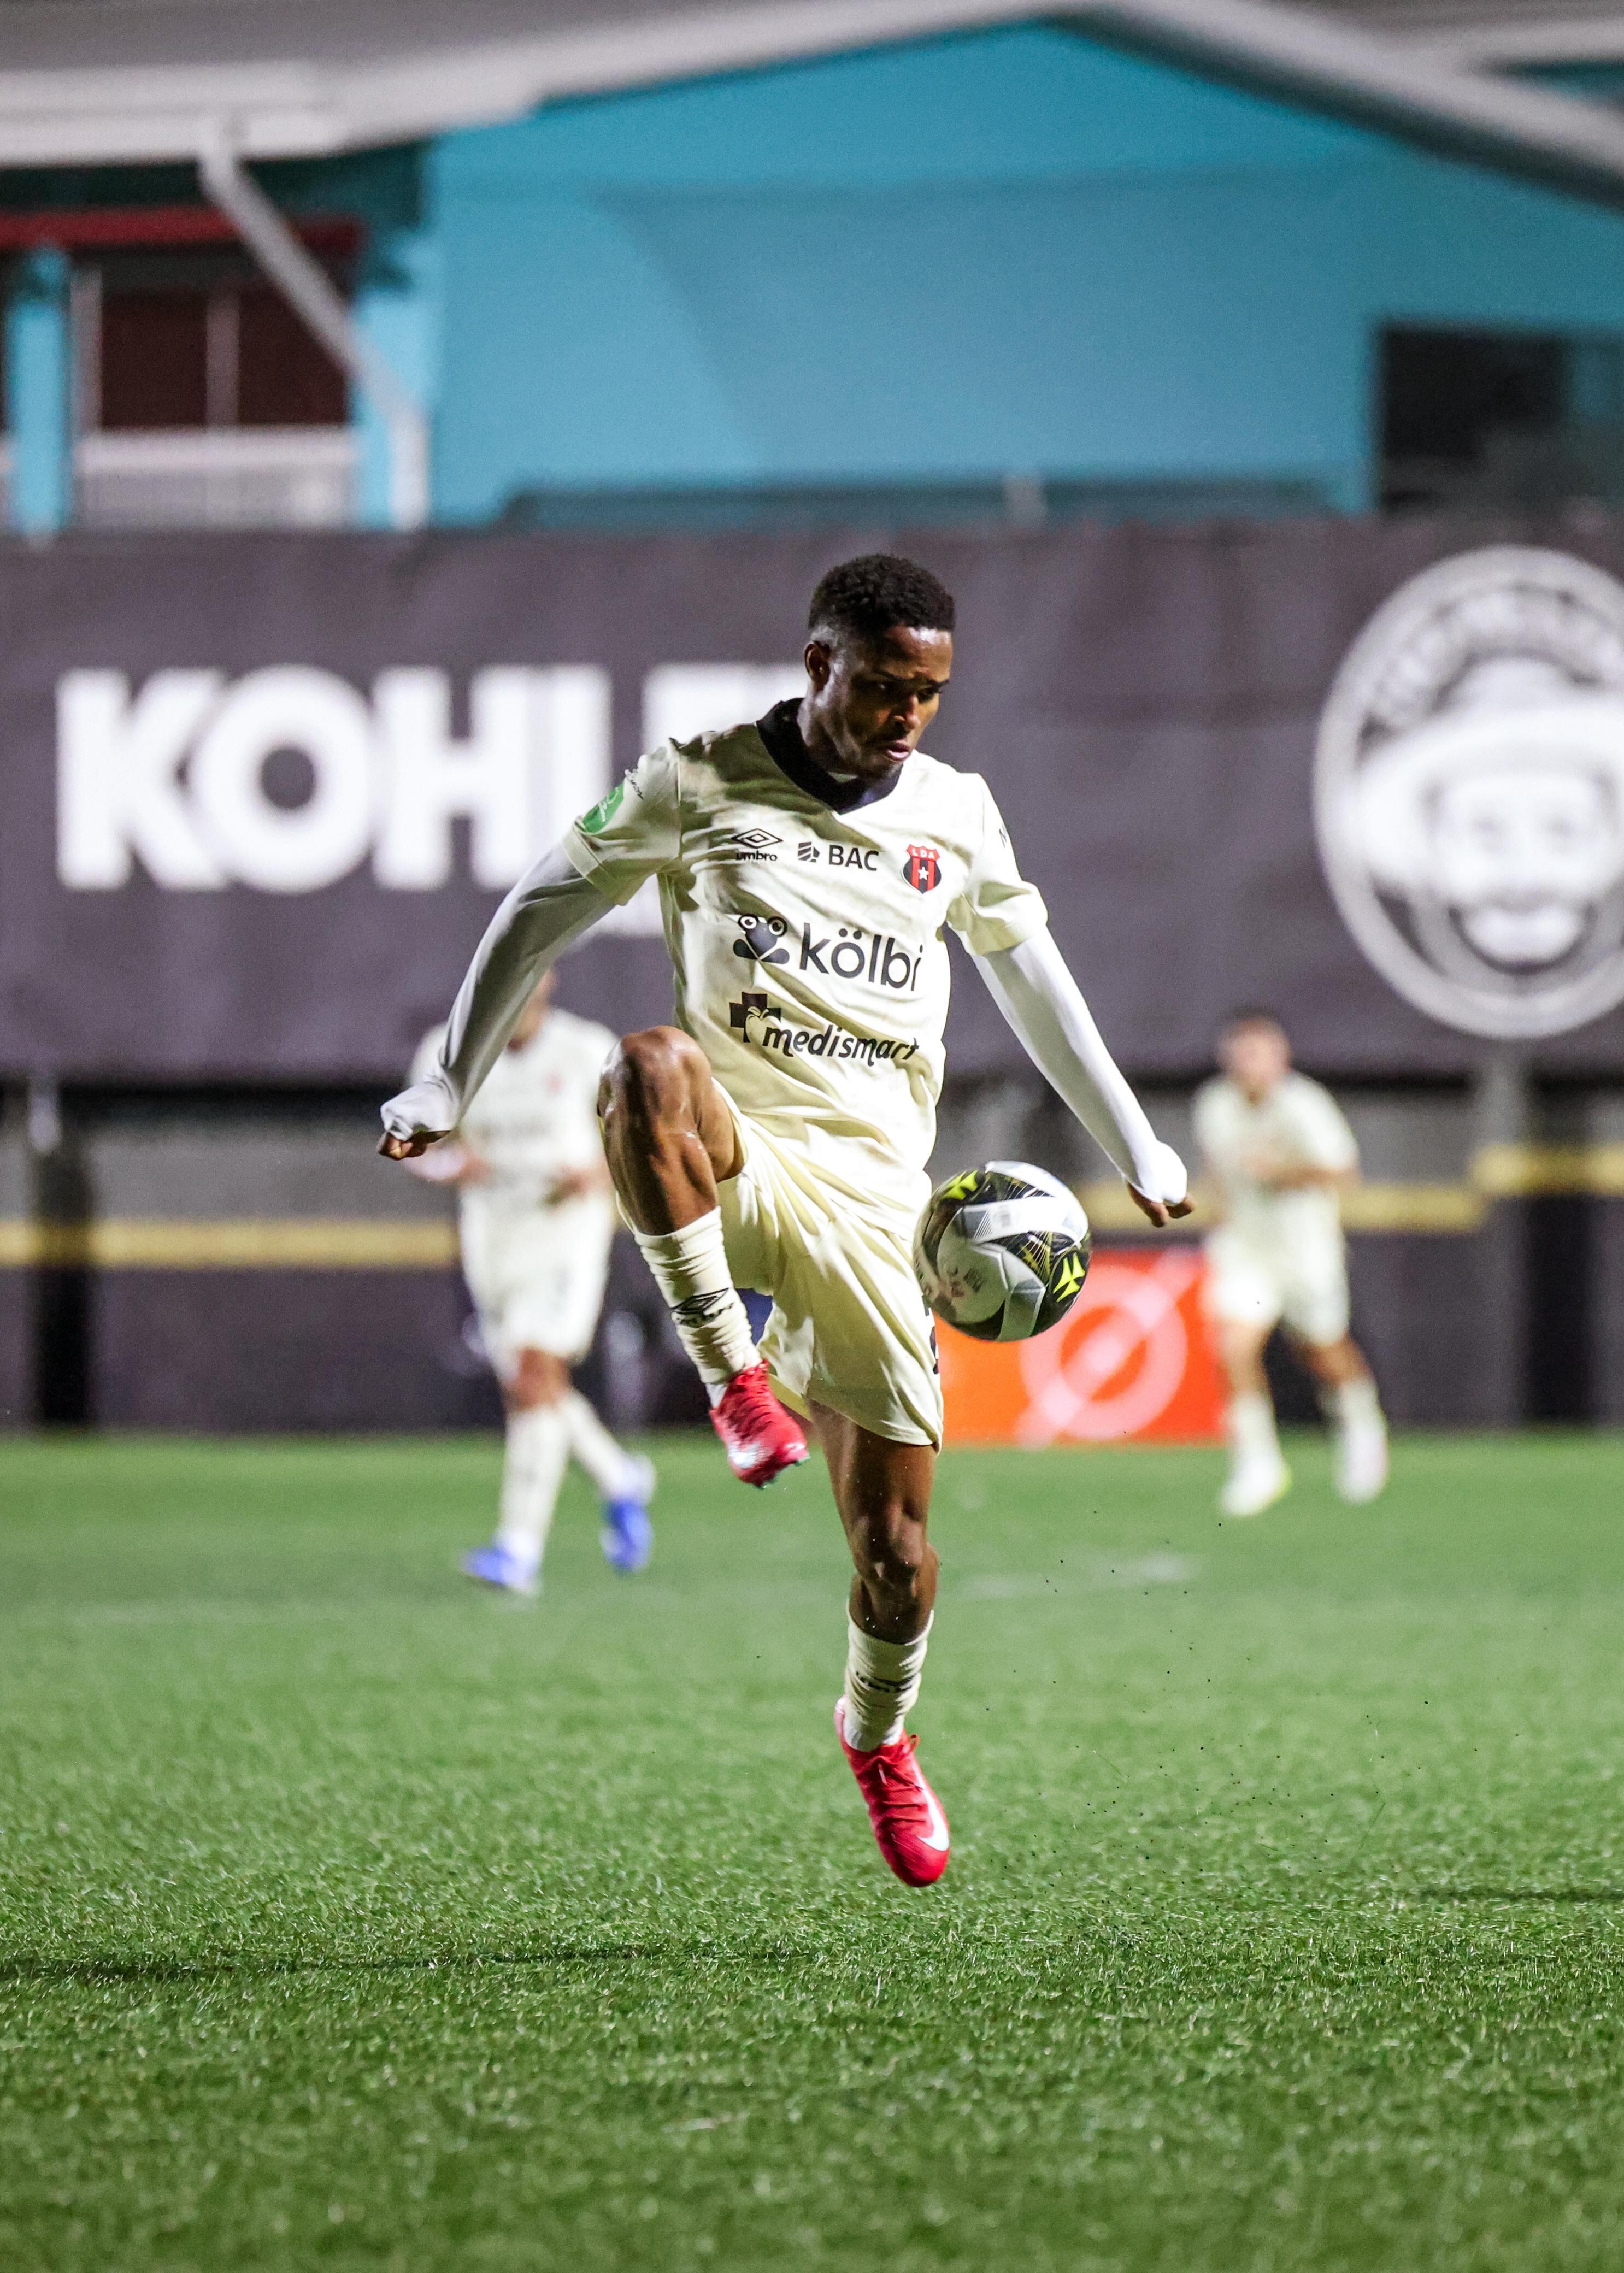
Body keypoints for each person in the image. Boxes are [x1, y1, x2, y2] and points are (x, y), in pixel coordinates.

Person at [381, 552, 1190, 1888]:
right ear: (818, 664)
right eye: (881, 685)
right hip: (732, 1158)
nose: (904, 714)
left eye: (927, 691)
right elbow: (537, 908)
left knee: (897, 1563)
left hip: (879, 1214)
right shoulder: (695, 779)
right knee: (644, 1065)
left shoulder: (956, 813)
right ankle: (731, 1380)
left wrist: (1136, 1140)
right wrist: (447, 1081)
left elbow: (1033, 978)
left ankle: (875, 1737)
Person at [404, 970, 655, 1597]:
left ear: (546, 984)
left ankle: (519, 1548)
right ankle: (619, 1475)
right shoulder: (449, 1047)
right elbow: (412, 1141)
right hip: (493, 1234)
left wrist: (600, 1171)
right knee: (529, 1385)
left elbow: (637, 1133)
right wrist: (446, 1162)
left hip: (564, 1231)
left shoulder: (583, 1048)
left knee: (535, 1372)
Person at [1194, 1010, 1388, 1518]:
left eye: (1259, 1052)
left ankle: (1362, 1428)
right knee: (1233, 1348)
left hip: (1304, 1251)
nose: (1249, 1063)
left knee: (1323, 1350)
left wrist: (1282, 1171)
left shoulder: (1304, 1104)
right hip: (1247, 1249)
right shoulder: (1214, 1105)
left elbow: (1344, 1172)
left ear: (1280, 1057)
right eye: (1241, 1052)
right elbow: (1218, 1177)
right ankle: (1258, 1463)